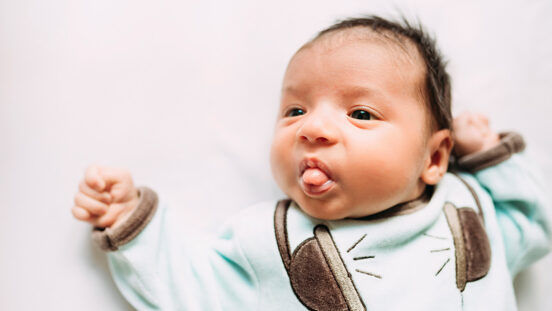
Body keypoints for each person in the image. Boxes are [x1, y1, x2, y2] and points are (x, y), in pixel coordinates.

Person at [72, 16, 551, 310]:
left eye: (360, 113)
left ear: (435, 157)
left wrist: (489, 156)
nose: (312, 129)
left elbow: (535, 225)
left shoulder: (467, 204)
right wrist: (130, 219)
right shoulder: (269, 242)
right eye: (295, 110)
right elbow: (193, 288)